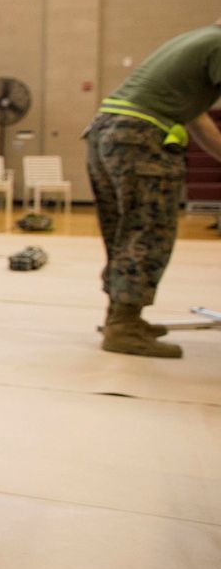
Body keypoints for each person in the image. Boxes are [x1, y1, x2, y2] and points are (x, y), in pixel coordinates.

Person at [86, 19, 221, 358]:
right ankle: (123, 327)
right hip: (140, 137)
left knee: (125, 232)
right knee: (149, 232)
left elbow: (197, 118)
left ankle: (122, 316)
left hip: (107, 131)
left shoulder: (195, 40)